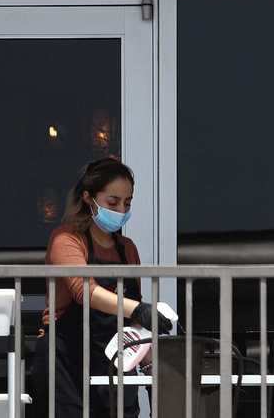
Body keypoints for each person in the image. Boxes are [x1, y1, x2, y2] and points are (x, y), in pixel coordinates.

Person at [31, 156, 172, 418]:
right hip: (66, 363)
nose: (120, 210)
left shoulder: (127, 249)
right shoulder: (66, 239)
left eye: (127, 203)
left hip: (116, 361)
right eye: (112, 202)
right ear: (88, 197)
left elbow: (134, 322)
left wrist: (152, 367)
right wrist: (139, 309)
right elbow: (84, 290)